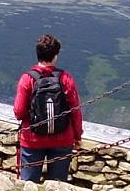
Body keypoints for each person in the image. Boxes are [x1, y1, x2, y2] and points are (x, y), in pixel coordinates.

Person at [13, 34, 83, 182]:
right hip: (62, 139)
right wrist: (77, 136)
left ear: (37, 54)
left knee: (28, 187)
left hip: (32, 139)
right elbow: (75, 111)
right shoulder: (66, 78)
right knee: (58, 187)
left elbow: (19, 112)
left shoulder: (27, 79)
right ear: (56, 56)